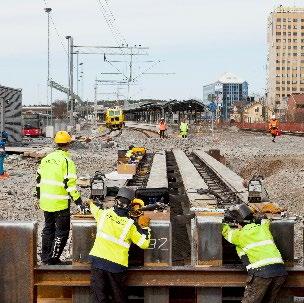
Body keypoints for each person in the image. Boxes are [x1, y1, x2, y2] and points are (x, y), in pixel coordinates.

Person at [89, 187, 151, 303]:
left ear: (115, 200)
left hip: (97, 263)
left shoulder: (103, 214)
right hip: (116, 267)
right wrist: (145, 228)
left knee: (98, 298)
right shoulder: (130, 225)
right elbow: (144, 244)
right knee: (119, 298)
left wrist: (90, 202)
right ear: (130, 205)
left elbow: (93, 207)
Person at [36, 131, 88, 265]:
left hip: (46, 201)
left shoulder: (46, 159)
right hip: (59, 203)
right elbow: (70, 185)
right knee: (62, 231)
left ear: (56, 143)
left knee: (48, 228)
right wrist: (79, 202)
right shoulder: (67, 161)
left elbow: (38, 180)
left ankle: (45, 257)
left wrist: (39, 197)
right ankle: (53, 259)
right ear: (68, 144)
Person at [222, 204, 287, 303]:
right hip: (280, 272)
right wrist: (257, 213)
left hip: (262, 274)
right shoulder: (263, 228)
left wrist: (224, 222)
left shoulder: (240, 235)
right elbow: (265, 220)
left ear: (239, 224)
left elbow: (226, 232)